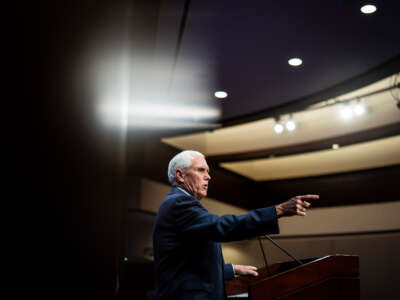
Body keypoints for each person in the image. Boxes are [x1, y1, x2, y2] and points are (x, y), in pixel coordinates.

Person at [152, 150, 319, 300]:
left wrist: (233, 269)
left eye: (208, 172)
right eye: (201, 170)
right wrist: (278, 210)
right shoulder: (178, 204)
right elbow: (221, 226)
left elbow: (188, 266)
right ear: (180, 175)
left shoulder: (181, 204)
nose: (208, 177)